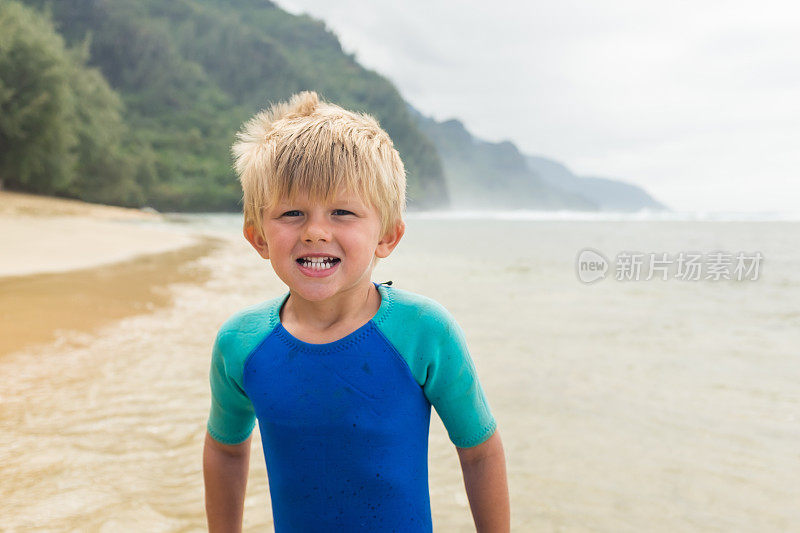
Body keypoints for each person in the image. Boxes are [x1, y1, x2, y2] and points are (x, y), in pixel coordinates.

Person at [203, 91, 510, 532]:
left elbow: (480, 451)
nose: (315, 232)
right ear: (258, 237)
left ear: (387, 235)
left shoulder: (424, 332)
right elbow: (225, 448)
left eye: (342, 212)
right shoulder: (241, 344)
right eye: (292, 213)